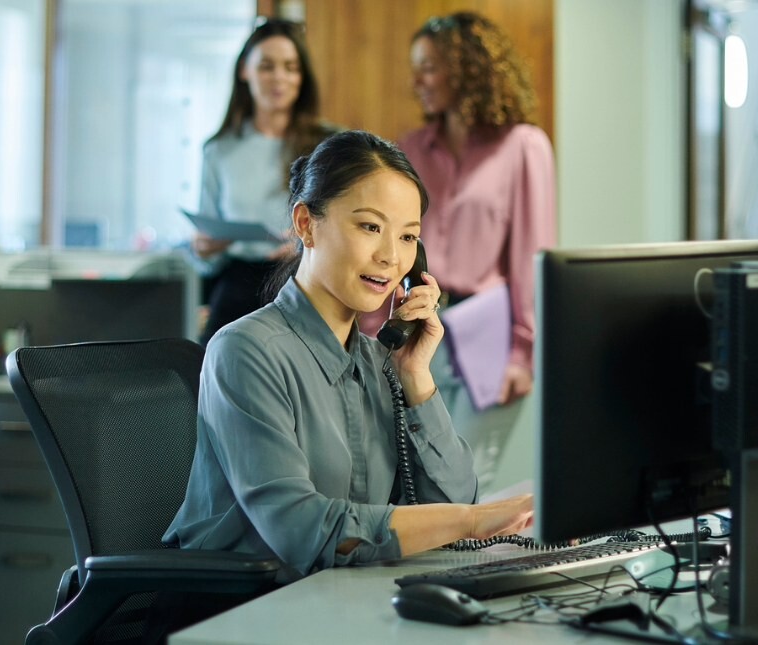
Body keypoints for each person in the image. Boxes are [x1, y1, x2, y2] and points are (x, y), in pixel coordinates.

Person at [164, 130, 534, 584]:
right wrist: (474, 522)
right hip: (241, 613)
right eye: (370, 227)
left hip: (341, 600)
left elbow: (454, 498)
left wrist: (416, 378)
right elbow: (305, 532)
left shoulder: (379, 361)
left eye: (408, 237)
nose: (390, 257)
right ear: (305, 224)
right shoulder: (245, 352)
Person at [382, 11, 557, 494]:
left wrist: (524, 352)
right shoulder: (411, 149)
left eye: (430, 66)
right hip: (417, 324)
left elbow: (532, 257)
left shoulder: (524, 146)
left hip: (490, 338)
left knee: (466, 485)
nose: (417, 80)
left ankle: (468, 573)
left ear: (468, 68)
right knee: (410, 479)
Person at [192, 18, 338, 344]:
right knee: (207, 373)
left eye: (290, 68)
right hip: (237, 283)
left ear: (302, 78)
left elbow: (344, 222)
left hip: (304, 280)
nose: (279, 78)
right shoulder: (219, 150)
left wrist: (302, 245)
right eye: (267, 67)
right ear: (245, 71)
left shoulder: (329, 145)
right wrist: (205, 248)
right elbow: (207, 251)